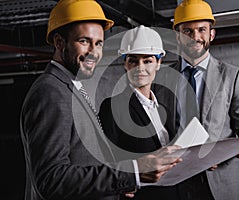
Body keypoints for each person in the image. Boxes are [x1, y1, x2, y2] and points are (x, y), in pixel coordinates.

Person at [19, 1, 181, 200]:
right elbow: (51, 179)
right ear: (60, 42)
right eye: (84, 41)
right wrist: (133, 172)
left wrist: (121, 183)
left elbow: (85, 161)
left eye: (99, 43)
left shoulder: (72, 87)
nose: (94, 53)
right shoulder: (51, 92)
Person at [158, 0, 239, 199]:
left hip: (225, 185)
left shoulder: (232, 75)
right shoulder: (161, 80)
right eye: (187, 31)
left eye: (201, 30)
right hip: (180, 184)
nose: (195, 37)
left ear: (211, 34)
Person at [99, 25, 181, 200]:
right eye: (133, 61)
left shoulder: (163, 109)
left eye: (148, 61)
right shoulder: (112, 107)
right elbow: (107, 163)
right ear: (125, 64)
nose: (140, 68)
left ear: (159, 63)